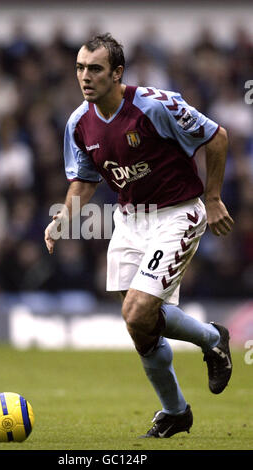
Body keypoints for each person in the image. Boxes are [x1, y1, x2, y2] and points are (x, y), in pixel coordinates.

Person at [44, 33, 234, 438]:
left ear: (117, 73)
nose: (84, 76)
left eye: (94, 68)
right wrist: (62, 219)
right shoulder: (79, 123)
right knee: (139, 325)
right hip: (130, 220)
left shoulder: (154, 105)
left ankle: (211, 340)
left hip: (177, 214)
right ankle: (176, 410)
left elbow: (216, 136)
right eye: (80, 67)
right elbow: (84, 181)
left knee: (137, 311)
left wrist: (214, 197)